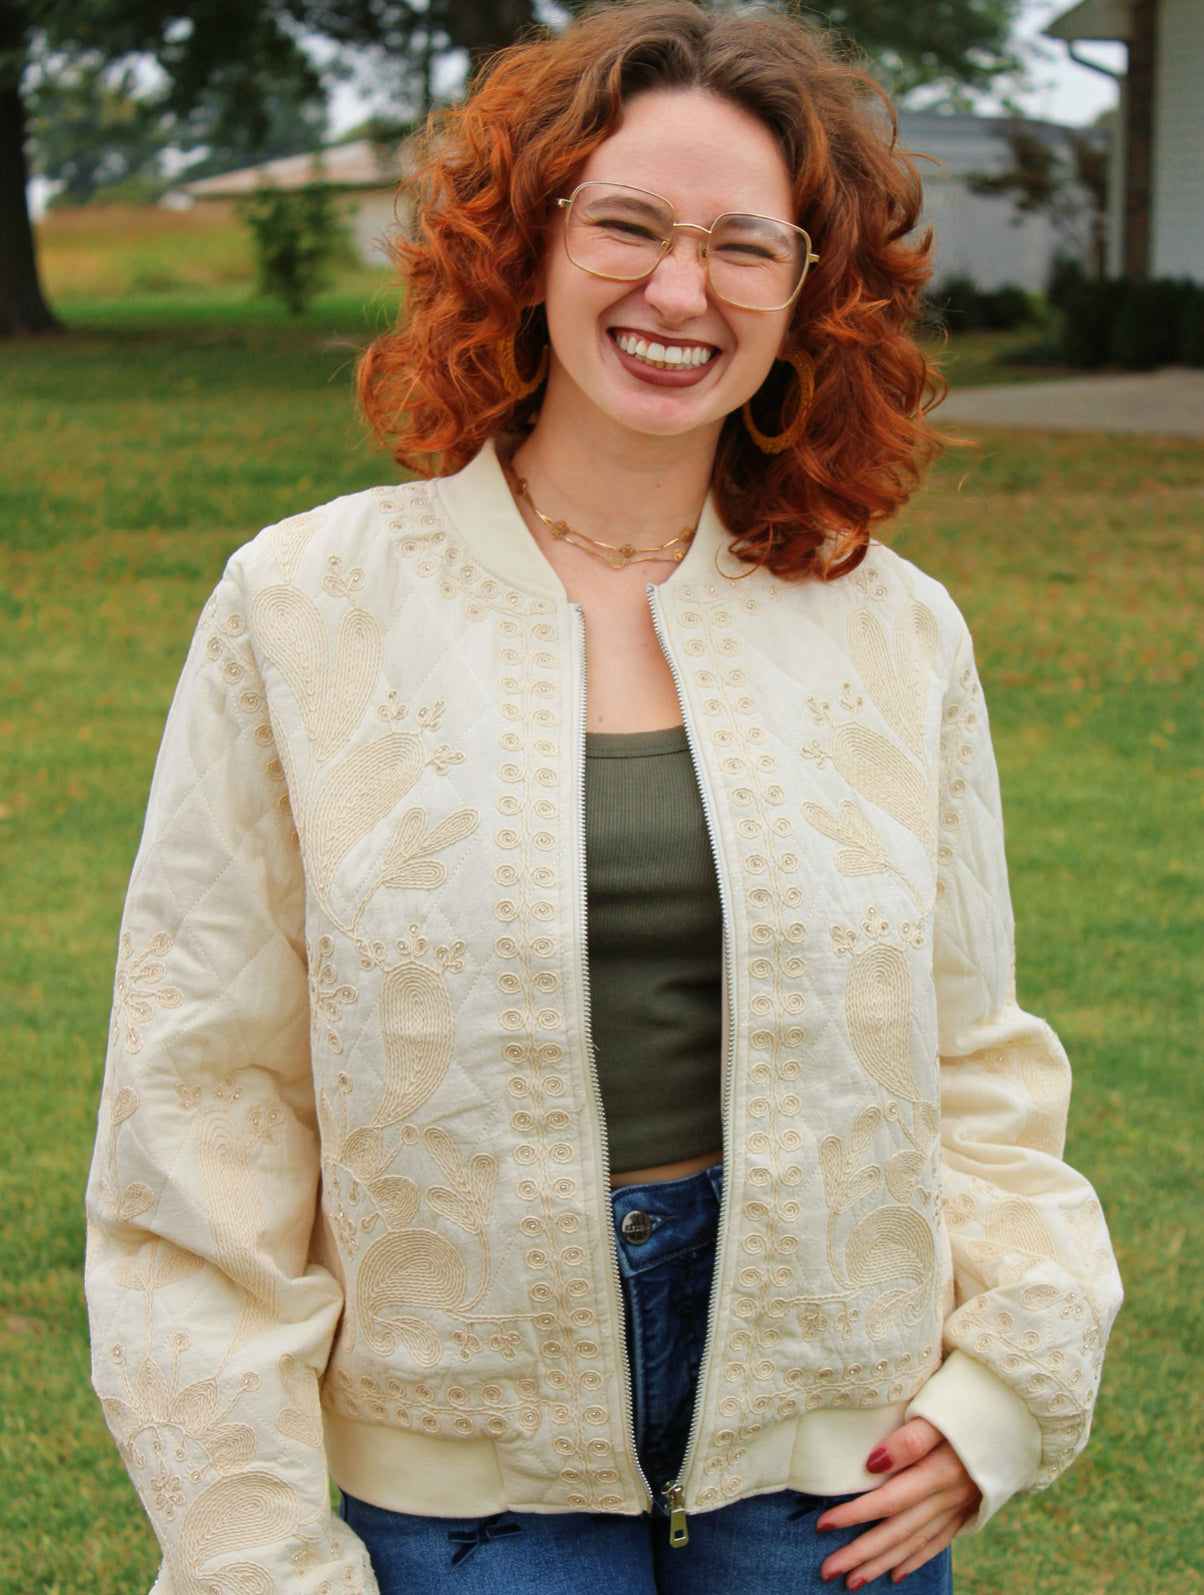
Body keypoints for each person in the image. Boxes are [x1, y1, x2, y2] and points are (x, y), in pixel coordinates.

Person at [85, 3, 1122, 1592]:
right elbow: (202, 1106)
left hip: (829, 1480)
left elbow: (974, 1055)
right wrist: (256, 1546)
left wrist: (998, 1392)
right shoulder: (304, 607)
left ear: (809, 292)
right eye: (626, 224)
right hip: (460, 1501)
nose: (678, 291)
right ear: (527, 242)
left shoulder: (895, 629)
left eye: (743, 246)